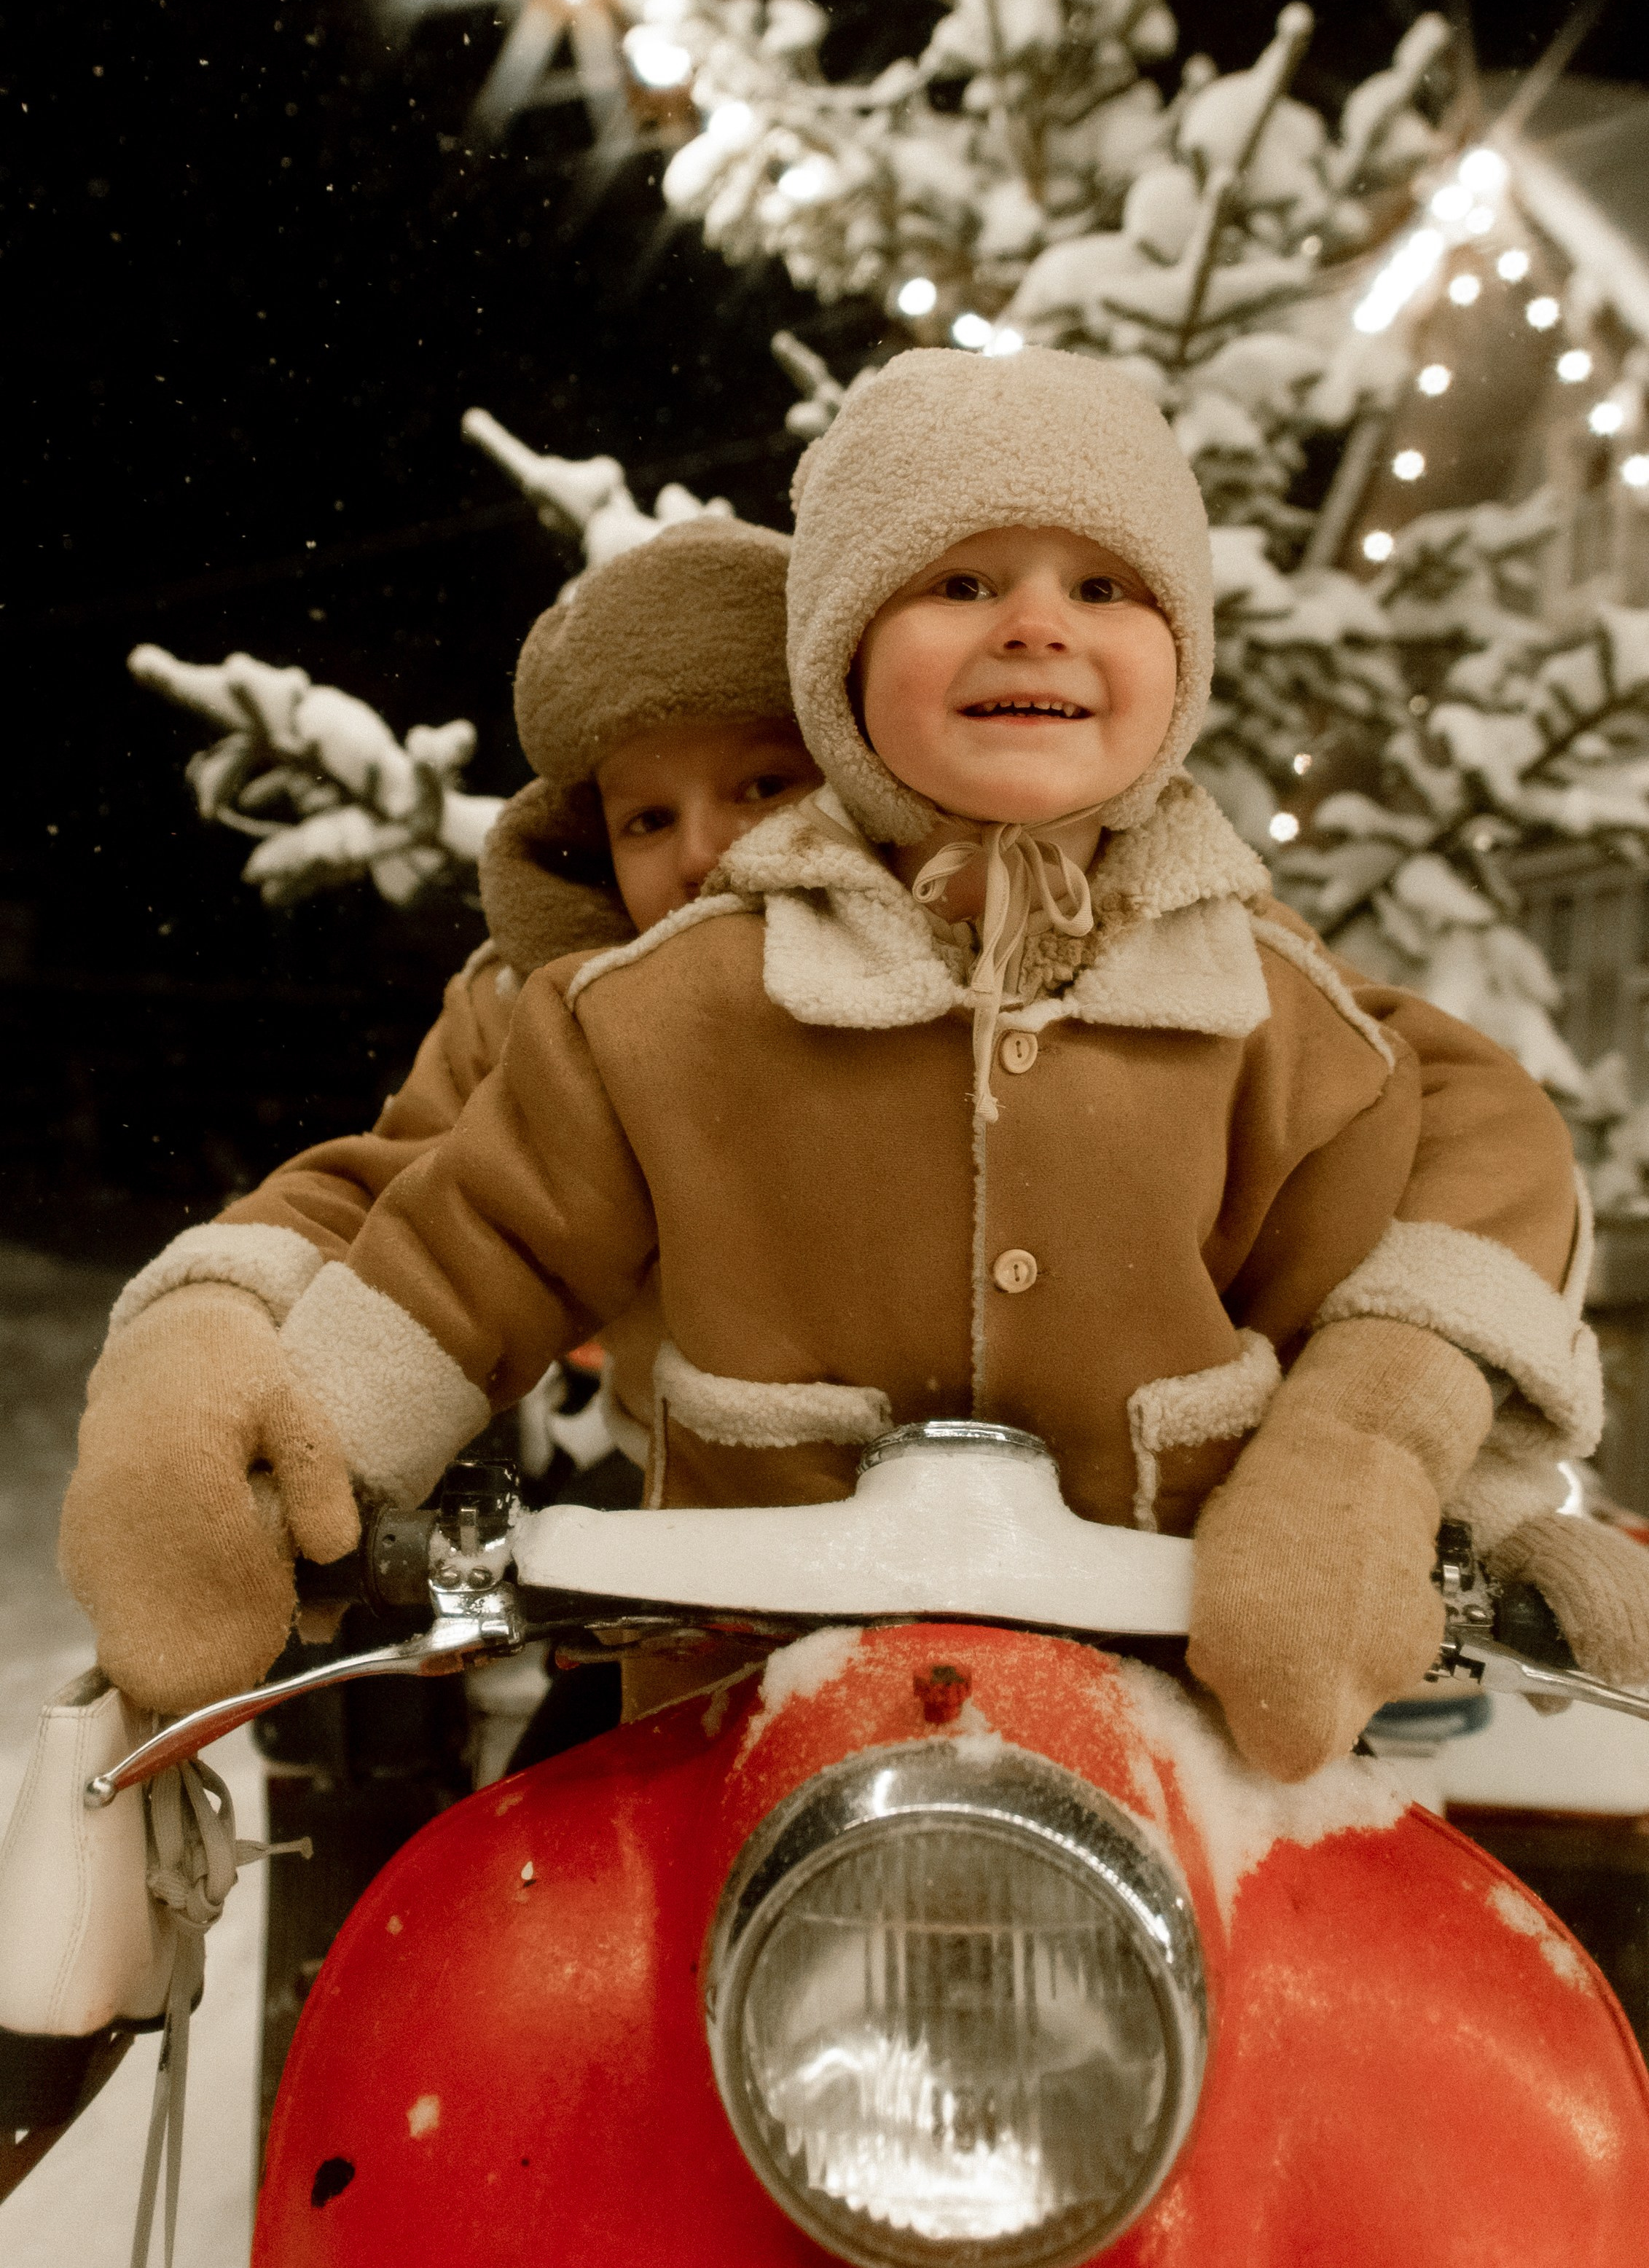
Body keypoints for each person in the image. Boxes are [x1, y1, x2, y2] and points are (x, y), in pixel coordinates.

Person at [68, 351, 1649, 1774]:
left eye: (1107, 589)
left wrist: (1422, 1488)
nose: (1037, 621)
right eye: (960, 583)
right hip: (736, 1717)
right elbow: (464, 1233)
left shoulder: (1259, 1005)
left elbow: (1355, 1271)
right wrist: (275, 1432)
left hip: (1168, 1733)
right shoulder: (646, 1010)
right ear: (845, 668)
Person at [59, 517, 821, 1714]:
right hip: (696, 1571)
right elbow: (399, 1192)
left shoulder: (971, 962)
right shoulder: (542, 1006)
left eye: (765, 785)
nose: (705, 854)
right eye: (647, 820)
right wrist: (216, 1315)